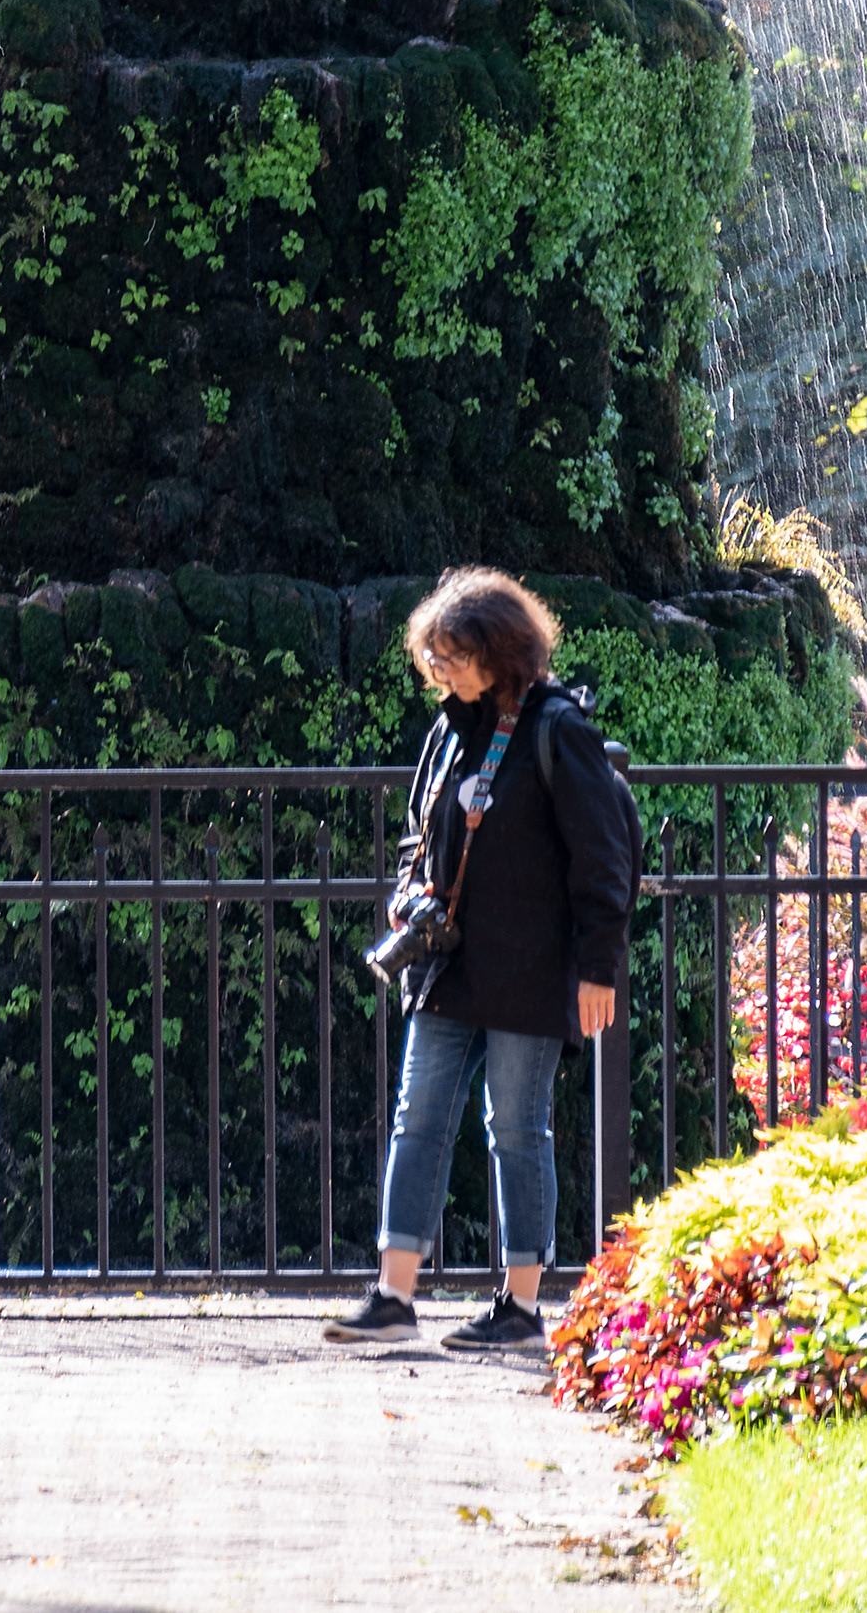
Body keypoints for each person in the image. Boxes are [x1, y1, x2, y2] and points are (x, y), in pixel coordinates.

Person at [325, 566, 640, 1353]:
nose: (439, 670)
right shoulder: (445, 728)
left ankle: (522, 1309)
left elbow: (601, 858)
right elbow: (418, 834)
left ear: (500, 652)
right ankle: (394, 1294)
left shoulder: (554, 727)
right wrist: (408, 890)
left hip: (533, 971)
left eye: (453, 657)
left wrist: (597, 967)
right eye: (432, 656)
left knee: (516, 1128)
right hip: (451, 965)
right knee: (418, 1117)